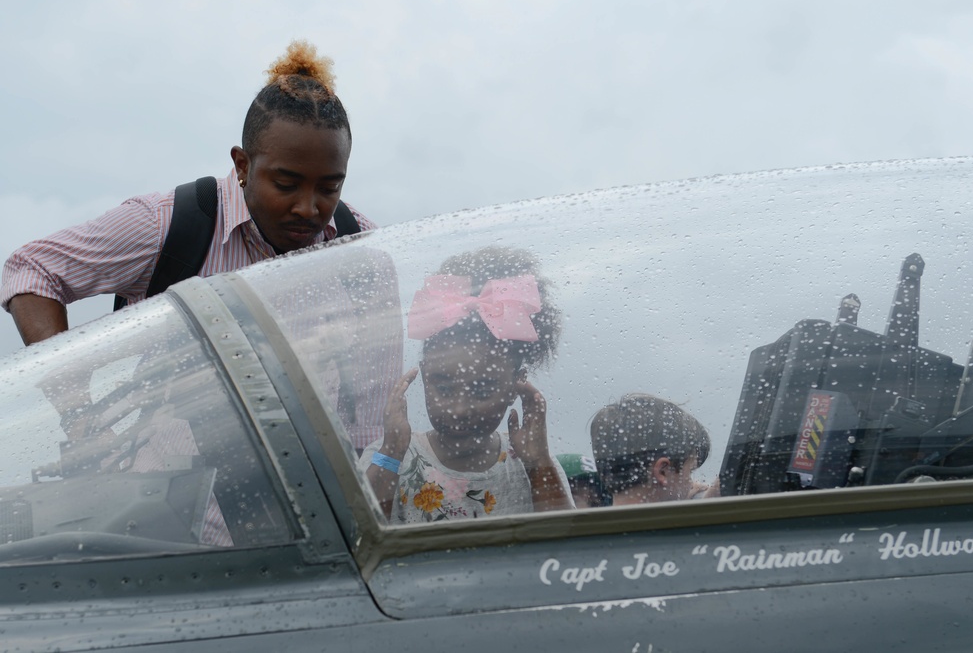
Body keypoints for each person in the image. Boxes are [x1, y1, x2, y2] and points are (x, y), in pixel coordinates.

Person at [1, 40, 375, 346]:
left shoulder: (360, 246)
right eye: (286, 184)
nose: (308, 208)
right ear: (242, 165)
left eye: (329, 187)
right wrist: (72, 401)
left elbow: (370, 392)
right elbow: (32, 270)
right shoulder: (166, 226)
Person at [359, 246, 573, 523]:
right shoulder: (389, 456)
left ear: (517, 385)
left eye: (483, 390)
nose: (459, 410)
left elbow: (567, 544)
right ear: (423, 376)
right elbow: (360, 537)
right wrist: (392, 451)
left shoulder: (530, 463)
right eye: (444, 389)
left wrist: (539, 463)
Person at [590, 394, 719, 506]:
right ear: (663, 471)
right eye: (689, 472)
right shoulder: (673, 534)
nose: (692, 484)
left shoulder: (590, 531)